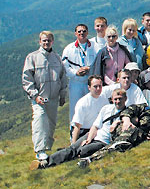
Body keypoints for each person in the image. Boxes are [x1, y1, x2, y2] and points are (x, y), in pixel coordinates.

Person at [31, 89, 127, 170]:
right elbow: (95, 126)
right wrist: (89, 139)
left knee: (82, 150)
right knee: (72, 148)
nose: (118, 101)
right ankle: (46, 163)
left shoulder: (127, 114)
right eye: (115, 99)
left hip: (104, 141)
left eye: (120, 99)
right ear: (112, 99)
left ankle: (73, 157)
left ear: (125, 99)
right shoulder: (106, 109)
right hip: (93, 135)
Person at [78, 92, 150, 168]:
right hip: (125, 130)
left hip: (139, 139)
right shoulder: (144, 108)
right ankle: (93, 158)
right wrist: (127, 121)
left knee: (124, 146)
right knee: (130, 134)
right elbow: (128, 111)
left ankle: (90, 160)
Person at [23, 31, 68, 162]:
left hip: (53, 98)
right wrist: (34, 95)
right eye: (44, 40)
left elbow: (62, 77)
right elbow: (27, 80)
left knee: (51, 124)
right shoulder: (32, 57)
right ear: (40, 42)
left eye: (48, 40)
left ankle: (47, 147)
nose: (46, 43)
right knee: (40, 122)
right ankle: (39, 150)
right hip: (39, 99)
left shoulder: (57, 58)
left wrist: (62, 95)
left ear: (52, 41)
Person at [62, 24, 98, 122]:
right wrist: (75, 73)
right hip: (76, 83)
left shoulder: (95, 47)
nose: (81, 33)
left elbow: (99, 63)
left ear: (88, 32)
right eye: (79, 31)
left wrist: (89, 69)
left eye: (84, 31)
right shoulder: (69, 49)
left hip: (90, 83)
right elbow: (65, 66)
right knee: (75, 108)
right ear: (75, 34)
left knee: (91, 107)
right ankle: (74, 134)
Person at [70, 75, 108, 145]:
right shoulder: (82, 103)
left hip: (98, 130)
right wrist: (73, 145)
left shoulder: (104, 98)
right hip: (84, 131)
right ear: (89, 87)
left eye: (100, 86)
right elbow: (77, 127)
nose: (98, 89)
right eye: (95, 86)